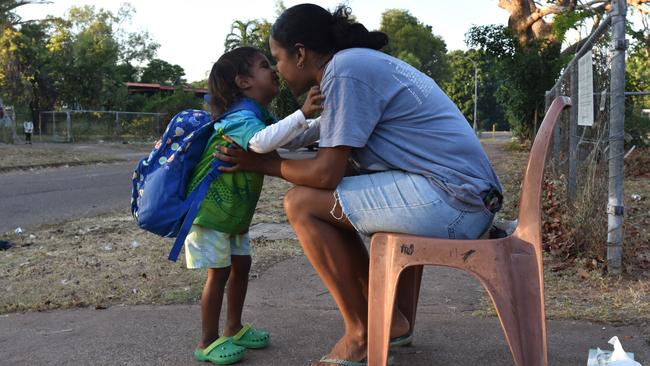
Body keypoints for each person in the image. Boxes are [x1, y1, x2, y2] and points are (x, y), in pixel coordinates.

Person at [215, 4, 503, 365]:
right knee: (333, 199)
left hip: (454, 202)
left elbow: (326, 174)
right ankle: (393, 323)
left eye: (278, 58)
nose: (277, 71)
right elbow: (337, 164)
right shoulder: (354, 66)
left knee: (301, 204)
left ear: (300, 54)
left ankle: (362, 332)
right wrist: (280, 147)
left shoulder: (344, 71)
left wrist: (263, 164)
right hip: (463, 198)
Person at [187, 46, 323, 365]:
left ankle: (233, 327)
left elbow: (289, 139)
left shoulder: (259, 116)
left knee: (241, 267)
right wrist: (302, 113)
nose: (274, 69)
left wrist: (324, 122)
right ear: (244, 82)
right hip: (210, 215)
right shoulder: (239, 118)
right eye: (264, 65)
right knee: (218, 274)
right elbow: (263, 142)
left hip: (233, 216)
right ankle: (206, 341)